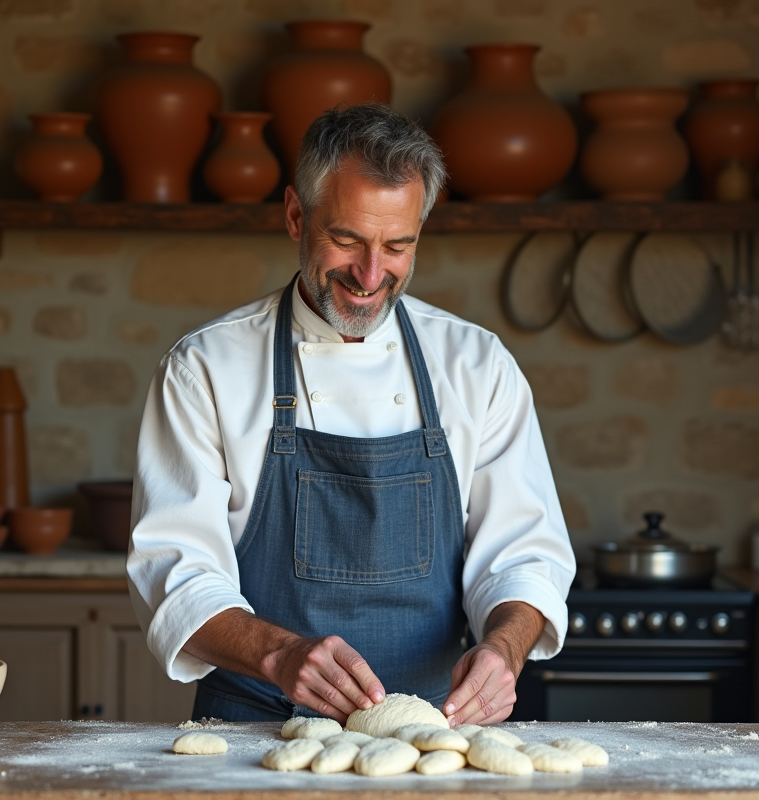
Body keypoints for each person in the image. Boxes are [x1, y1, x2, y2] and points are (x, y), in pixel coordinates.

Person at [127, 103, 575, 727]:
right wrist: (281, 654)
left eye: (398, 246)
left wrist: (502, 650)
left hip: (433, 733)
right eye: (347, 240)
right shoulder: (206, 367)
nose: (371, 275)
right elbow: (174, 572)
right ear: (294, 216)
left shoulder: (477, 367)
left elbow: (525, 556)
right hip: (252, 734)